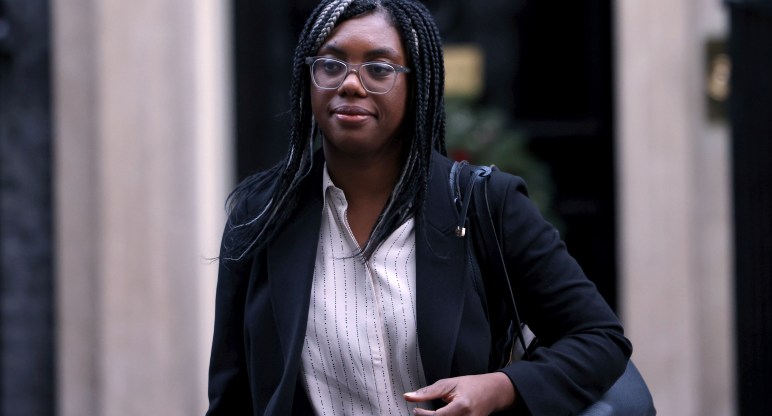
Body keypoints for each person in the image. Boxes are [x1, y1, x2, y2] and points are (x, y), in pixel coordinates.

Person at [206, 0, 632, 415]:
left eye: (379, 68)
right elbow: (232, 395)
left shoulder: (485, 204)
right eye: (332, 65)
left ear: (417, 85)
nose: (351, 83)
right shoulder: (262, 214)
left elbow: (599, 338)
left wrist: (500, 388)